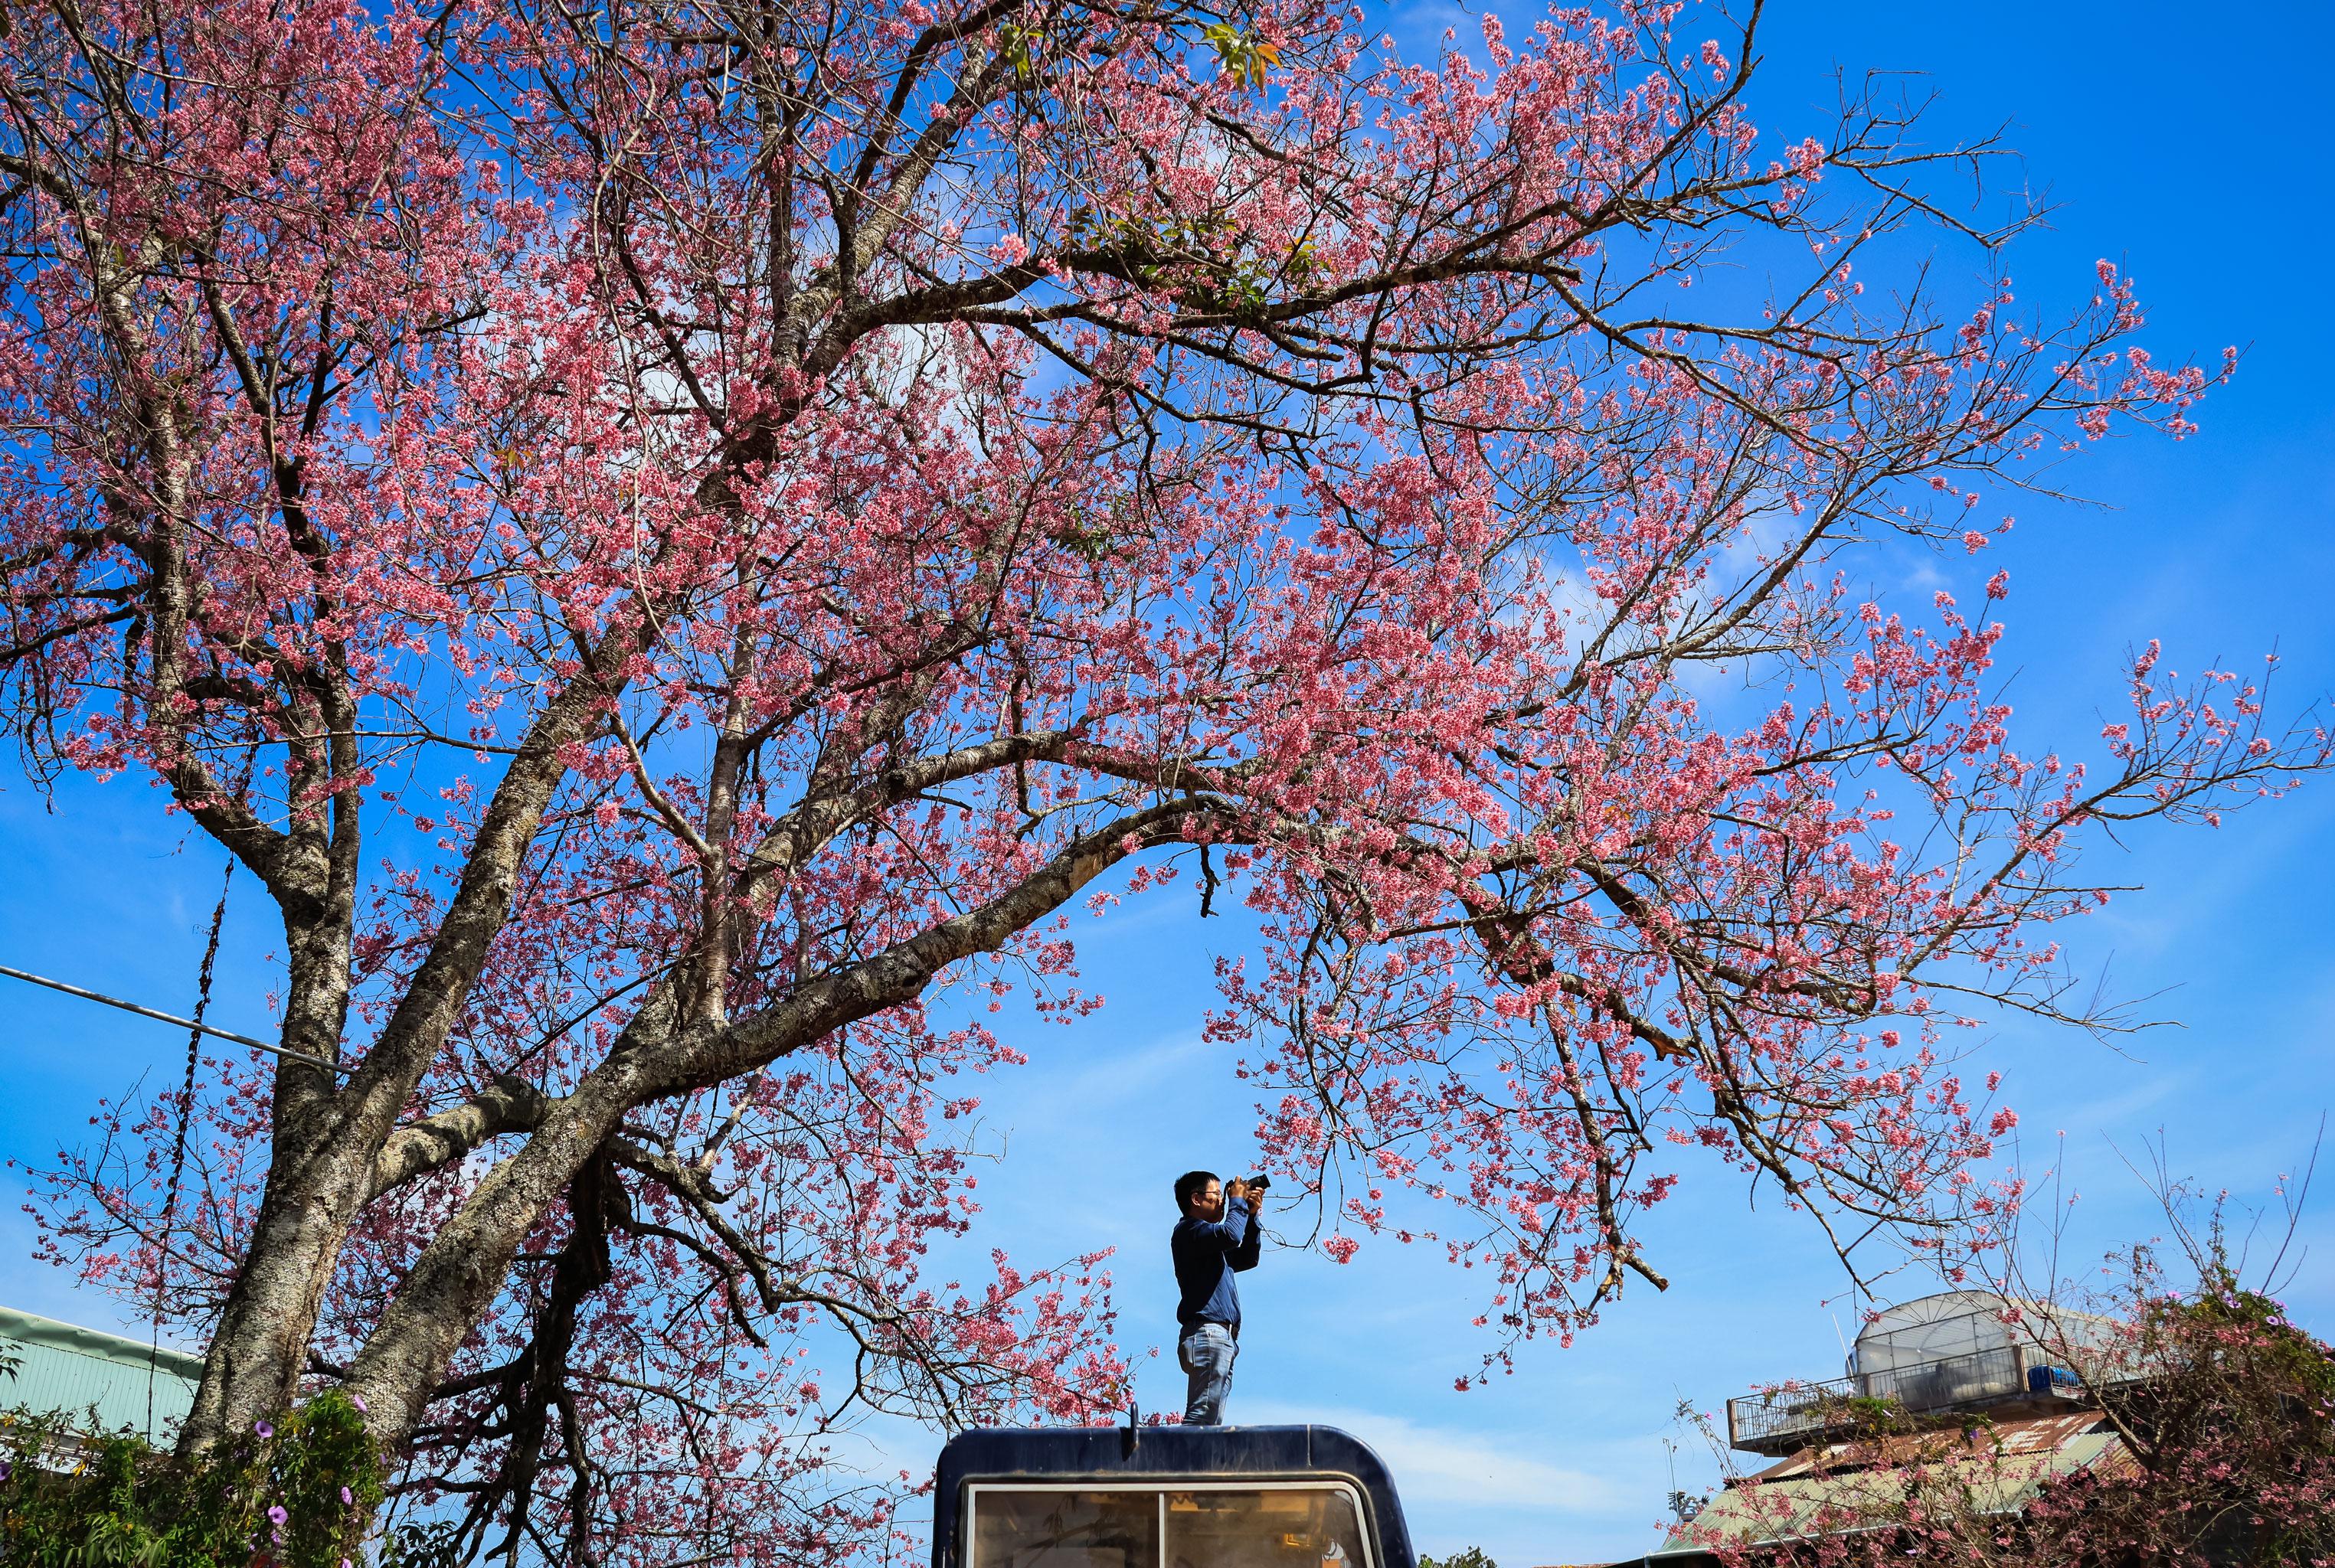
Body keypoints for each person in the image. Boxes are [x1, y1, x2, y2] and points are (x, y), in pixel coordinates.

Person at [1170, 1169, 1263, 1426]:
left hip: (1222, 1336)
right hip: (1208, 1332)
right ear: (1197, 1199)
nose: (1223, 1201)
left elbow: (1247, 1258)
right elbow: (1232, 1235)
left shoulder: (1208, 1245)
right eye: (1218, 1195)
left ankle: (1193, 1462)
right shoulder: (1189, 1231)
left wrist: (1251, 1215)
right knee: (1202, 1417)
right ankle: (1185, 1463)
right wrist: (1238, 1203)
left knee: (1210, 1420)